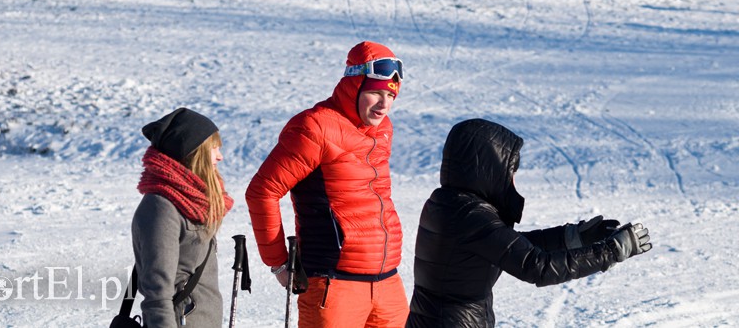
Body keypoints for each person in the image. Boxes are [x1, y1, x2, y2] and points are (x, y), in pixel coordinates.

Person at [406, 118, 653, 328]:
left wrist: (573, 237)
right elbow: (537, 266)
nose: (512, 181)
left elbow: (509, 246)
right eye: (509, 173)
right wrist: (610, 251)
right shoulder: (471, 216)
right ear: (487, 169)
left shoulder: (449, 204)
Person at [246, 41, 409, 328]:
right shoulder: (315, 127)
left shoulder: (382, 129)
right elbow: (263, 191)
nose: (384, 104)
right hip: (334, 283)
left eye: (390, 95)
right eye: (374, 93)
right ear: (354, 85)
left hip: (387, 282)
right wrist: (279, 263)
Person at [131, 107, 234, 327]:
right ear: (192, 152)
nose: (220, 156)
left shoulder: (195, 203)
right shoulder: (161, 209)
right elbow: (157, 297)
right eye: (213, 148)